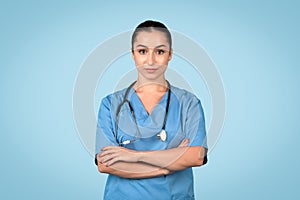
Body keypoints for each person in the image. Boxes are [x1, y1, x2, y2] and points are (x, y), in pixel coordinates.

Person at [95, 20, 208, 200]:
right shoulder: (111, 104)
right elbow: (105, 164)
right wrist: (167, 165)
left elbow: (196, 156)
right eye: (142, 51)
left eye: (160, 51)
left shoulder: (189, 103)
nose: (151, 60)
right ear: (133, 54)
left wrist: (132, 156)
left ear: (170, 54)